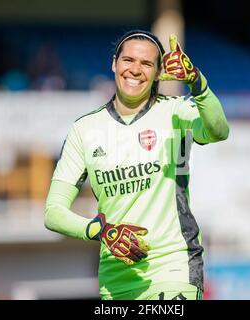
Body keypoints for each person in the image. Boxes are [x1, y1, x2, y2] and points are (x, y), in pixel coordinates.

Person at [44, 29, 229, 300]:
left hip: (174, 268)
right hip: (116, 281)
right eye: (128, 60)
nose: (135, 70)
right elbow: (53, 212)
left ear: (158, 72)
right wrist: (101, 231)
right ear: (114, 63)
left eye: (146, 64)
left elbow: (218, 130)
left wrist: (197, 82)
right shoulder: (85, 129)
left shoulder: (175, 112)